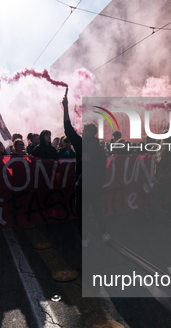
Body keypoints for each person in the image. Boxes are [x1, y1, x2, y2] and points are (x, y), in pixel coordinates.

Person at [62, 94, 109, 246]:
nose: (81, 132)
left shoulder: (81, 143)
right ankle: (104, 234)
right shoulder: (100, 148)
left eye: (83, 130)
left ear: (88, 132)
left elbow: (68, 129)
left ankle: (85, 238)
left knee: (82, 211)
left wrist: (65, 108)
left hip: (82, 184)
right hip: (95, 185)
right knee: (97, 209)